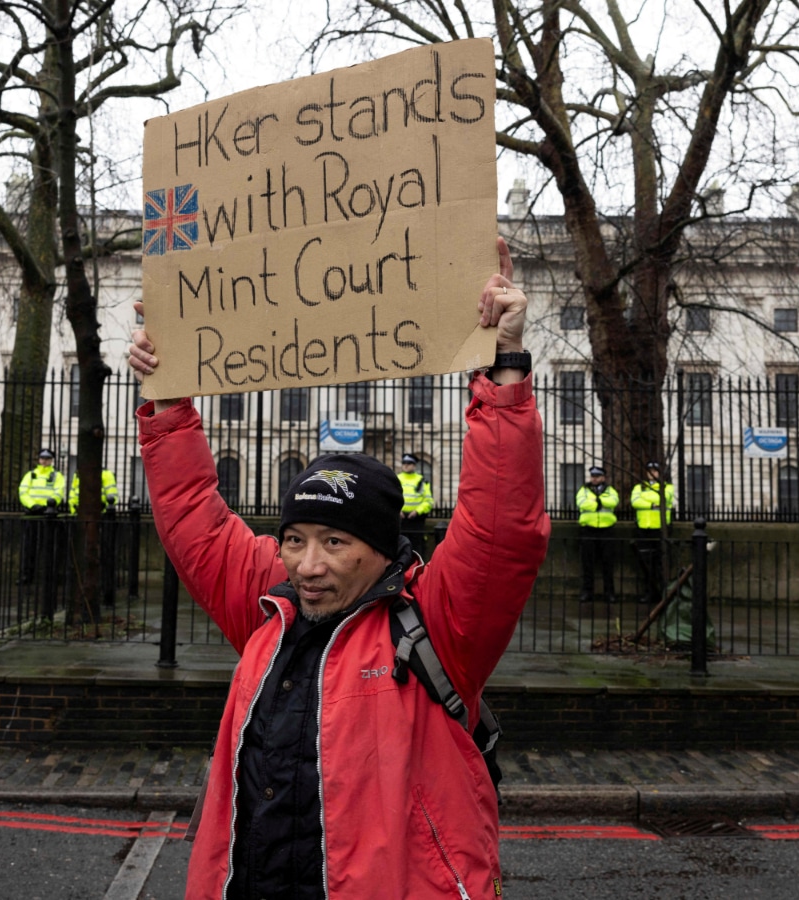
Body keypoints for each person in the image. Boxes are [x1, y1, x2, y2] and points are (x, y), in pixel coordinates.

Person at [127, 237, 548, 900]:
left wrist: (504, 370)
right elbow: (193, 517)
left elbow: (502, 530)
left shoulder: (435, 625)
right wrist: (168, 396)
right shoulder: (271, 607)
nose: (307, 564)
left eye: (333, 541)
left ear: (383, 549)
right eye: (293, 539)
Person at [69, 468, 120, 603]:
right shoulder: (78, 474)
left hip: (101, 517)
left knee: (100, 552)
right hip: (81, 517)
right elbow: (73, 493)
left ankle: (102, 586)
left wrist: (102, 506)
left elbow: (112, 495)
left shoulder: (106, 474)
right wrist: (75, 508)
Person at [16, 447, 66, 584]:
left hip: (48, 514)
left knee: (49, 546)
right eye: (42, 458)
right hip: (32, 513)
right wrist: (32, 505)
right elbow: (23, 492)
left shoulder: (57, 475)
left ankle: (50, 576)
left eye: (47, 459)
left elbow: (58, 493)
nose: (44, 461)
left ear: (51, 460)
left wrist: (47, 506)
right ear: (39, 459)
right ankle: (26, 575)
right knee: (29, 547)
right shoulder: (30, 474)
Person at [631, 461, 675, 605]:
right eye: (650, 471)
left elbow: (663, 498)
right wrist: (651, 504)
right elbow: (634, 502)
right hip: (644, 528)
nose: (652, 473)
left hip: (661, 530)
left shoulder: (667, 487)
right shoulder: (639, 487)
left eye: (655, 471)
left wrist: (646, 498)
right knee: (646, 563)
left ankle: (663, 593)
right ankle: (649, 593)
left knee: (661, 563)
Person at [574, 464, 619, 603]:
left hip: (606, 529)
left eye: (597, 476)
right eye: (593, 476)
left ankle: (609, 593)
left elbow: (614, 502)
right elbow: (581, 503)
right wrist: (599, 505)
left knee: (608, 563)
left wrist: (597, 500)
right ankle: (587, 592)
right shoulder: (584, 489)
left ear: (603, 477)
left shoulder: (610, 490)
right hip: (588, 528)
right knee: (588, 563)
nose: (594, 479)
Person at [395, 452, 433, 559]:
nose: (406, 465)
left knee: (417, 547)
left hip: (416, 519)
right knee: (399, 546)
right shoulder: (396, 479)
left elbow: (428, 501)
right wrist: (397, 510)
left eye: (409, 463)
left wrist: (417, 511)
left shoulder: (421, 480)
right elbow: (391, 497)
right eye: (404, 463)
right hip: (400, 518)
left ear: (414, 465)